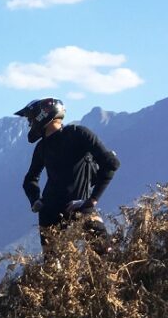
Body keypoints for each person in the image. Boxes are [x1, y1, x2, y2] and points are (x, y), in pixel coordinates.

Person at [17, 97, 121, 251]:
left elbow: (111, 163)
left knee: (56, 268)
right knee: (104, 255)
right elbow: (30, 180)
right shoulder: (46, 145)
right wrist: (35, 201)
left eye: (31, 119)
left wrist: (92, 200)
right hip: (70, 209)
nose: (30, 124)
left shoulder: (76, 134)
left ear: (42, 115)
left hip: (56, 213)